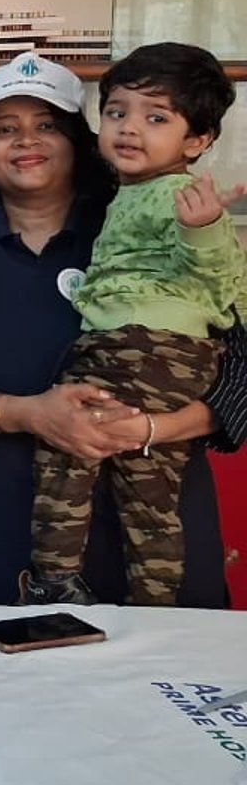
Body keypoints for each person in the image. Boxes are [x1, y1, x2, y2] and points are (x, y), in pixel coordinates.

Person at [0, 50, 240, 608]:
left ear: (78, 144)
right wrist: (30, 413)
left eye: (47, 126)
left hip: (156, 516)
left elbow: (238, 364)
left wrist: (155, 428)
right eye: (4, 129)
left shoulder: (140, 228)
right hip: (9, 527)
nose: (25, 141)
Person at [24, 42, 246, 606]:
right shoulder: (129, 193)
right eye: (117, 112)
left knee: (69, 449)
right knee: (150, 489)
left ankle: (54, 584)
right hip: (171, 356)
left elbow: (218, 273)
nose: (129, 129)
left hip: (141, 346)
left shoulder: (178, 195)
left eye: (156, 118)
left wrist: (205, 228)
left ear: (198, 142)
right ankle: (157, 603)